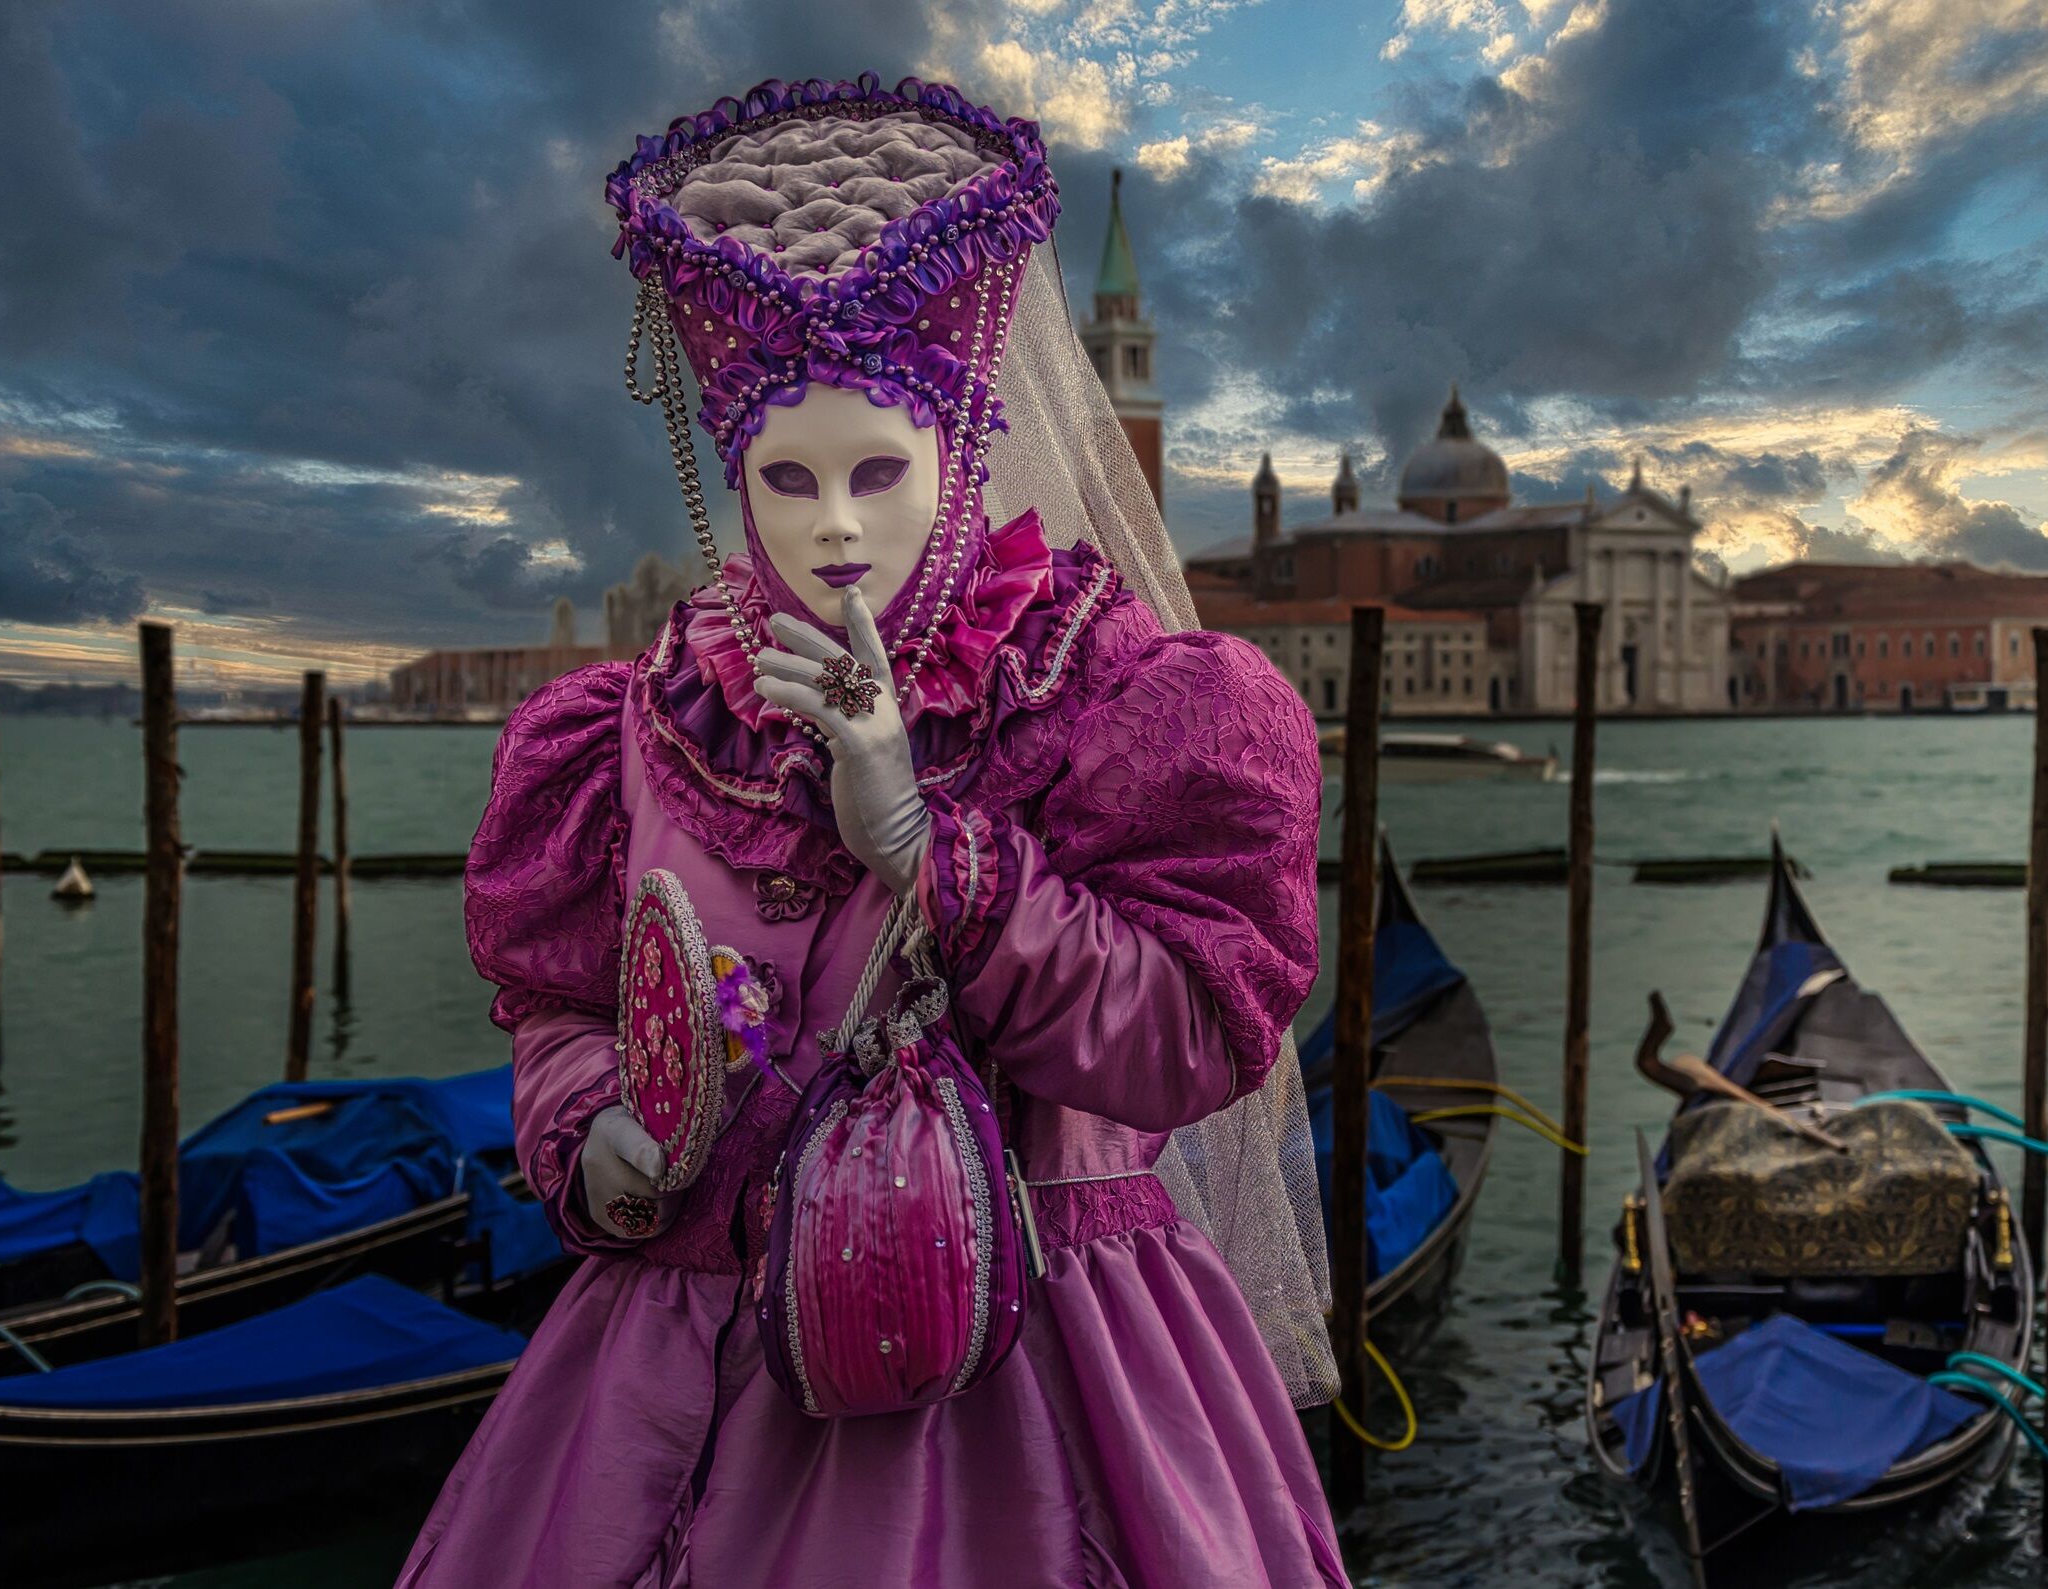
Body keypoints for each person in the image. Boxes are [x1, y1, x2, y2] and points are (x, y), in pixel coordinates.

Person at [398, 73, 1348, 1588]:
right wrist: (606, 1139)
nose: (835, 524)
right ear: (737, 480)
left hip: (1043, 1367)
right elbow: (572, 1003)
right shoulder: (643, 721)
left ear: (962, 450)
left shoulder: (1110, 700)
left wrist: (931, 852)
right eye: (788, 477)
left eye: (877, 471)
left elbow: (1186, 1037)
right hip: (687, 1355)